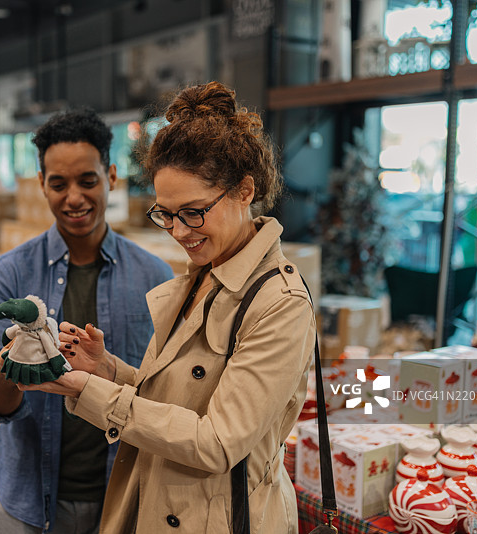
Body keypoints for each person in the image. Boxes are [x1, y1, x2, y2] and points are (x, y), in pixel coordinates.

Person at [22, 82, 317, 533]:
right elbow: (175, 401)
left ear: (244, 190)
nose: (179, 231)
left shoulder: (281, 304)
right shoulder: (200, 276)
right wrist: (108, 371)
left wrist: (88, 392)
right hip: (157, 503)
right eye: (165, 214)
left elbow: (218, 441)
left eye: (194, 212)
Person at [0, 108, 173, 534]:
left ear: (111, 176)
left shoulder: (155, 278)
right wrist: (11, 369)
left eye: (88, 181)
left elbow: (163, 394)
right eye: (58, 184)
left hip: (124, 500)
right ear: (42, 184)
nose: (74, 198)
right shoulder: (8, 276)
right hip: (27, 502)